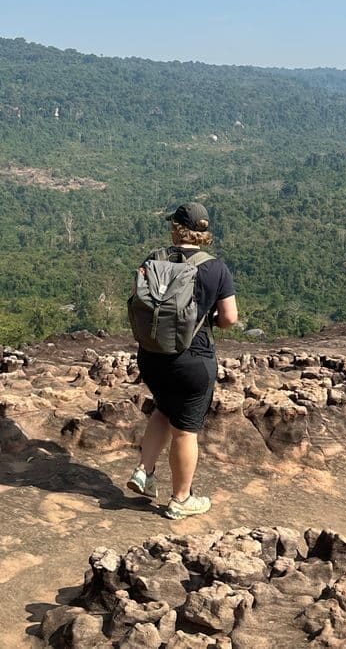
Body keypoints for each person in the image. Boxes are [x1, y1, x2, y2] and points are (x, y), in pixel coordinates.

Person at [127, 201, 238, 519]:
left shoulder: (154, 259)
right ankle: (180, 499)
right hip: (192, 359)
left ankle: (144, 473)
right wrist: (208, 318)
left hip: (152, 356)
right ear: (204, 233)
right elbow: (229, 317)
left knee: (163, 408)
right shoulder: (215, 268)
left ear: (175, 229)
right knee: (186, 430)